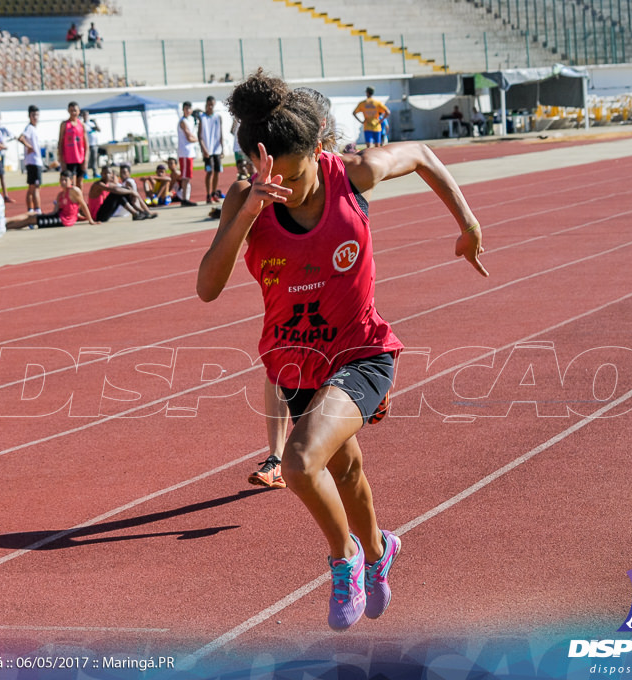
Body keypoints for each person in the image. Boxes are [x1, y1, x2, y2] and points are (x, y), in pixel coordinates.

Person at [197, 70, 487, 631]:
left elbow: (423, 153)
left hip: (362, 350)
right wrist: (251, 212)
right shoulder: (245, 196)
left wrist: (468, 224)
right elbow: (208, 287)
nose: (287, 188)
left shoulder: (353, 175)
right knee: (347, 470)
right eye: (271, 178)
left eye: (295, 175)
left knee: (301, 462)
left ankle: (345, 558)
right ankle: (380, 552)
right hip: (294, 360)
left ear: (317, 151)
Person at [248, 86, 337, 490]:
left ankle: (359, 382)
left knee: (330, 357)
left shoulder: (342, 171)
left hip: (332, 283)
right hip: (286, 290)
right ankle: (275, 455)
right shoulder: (265, 176)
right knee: (278, 362)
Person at [21, 170, 97, 229]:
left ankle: (9, 225)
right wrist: (45, 215)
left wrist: (90, 220)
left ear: (71, 181)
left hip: (65, 220)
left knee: (30, 220)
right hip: (58, 216)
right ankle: (9, 223)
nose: (63, 182)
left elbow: (83, 204)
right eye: (61, 180)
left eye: (65, 180)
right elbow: (55, 211)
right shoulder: (60, 195)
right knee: (31, 216)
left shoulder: (74, 190)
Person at [87, 167, 156, 223]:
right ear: (101, 174)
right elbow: (115, 190)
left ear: (112, 175)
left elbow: (119, 189)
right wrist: (131, 192)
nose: (107, 175)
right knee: (117, 193)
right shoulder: (98, 184)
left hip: (106, 214)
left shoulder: (110, 184)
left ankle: (143, 212)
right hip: (97, 216)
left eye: (109, 173)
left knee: (124, 191)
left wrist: (130, 191)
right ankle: (136, 214)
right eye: (105, 173)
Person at [199, 96, 225, 204]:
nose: (210, 106)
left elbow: (221, 133)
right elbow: (199, 136)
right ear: (206, 104)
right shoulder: (202, 117)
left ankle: (214, 193)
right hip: (207, 150)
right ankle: (208, 195)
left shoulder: (218, 117)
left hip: (216, 149)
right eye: (209, 104)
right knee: (209, 171)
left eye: (212, 104)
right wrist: (204, 149)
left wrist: (222, 148)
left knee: (217, 171)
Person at [18, 105, 43, 214]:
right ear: (29, 116)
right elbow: (21, 138)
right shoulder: (29, 128)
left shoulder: (34, 128)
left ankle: (31, 210)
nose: (35, 117)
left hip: (35, 161)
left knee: (32, 188)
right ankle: (37, 210)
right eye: (33, 115)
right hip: (33, 161)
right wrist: (29, 146)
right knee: (35, 188)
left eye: (37, 115)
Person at [177, 101, 198, 205]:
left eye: (189, 108)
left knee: (188, 176)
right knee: (185, 177)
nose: (188, 110)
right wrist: (198, 139)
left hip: (189, 152)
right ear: (183, 110)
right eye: (186, 108)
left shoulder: (191, 120)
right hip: (185, 152)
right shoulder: (183, 121)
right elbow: (189, 137)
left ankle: (185, 197)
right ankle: (184, 198)